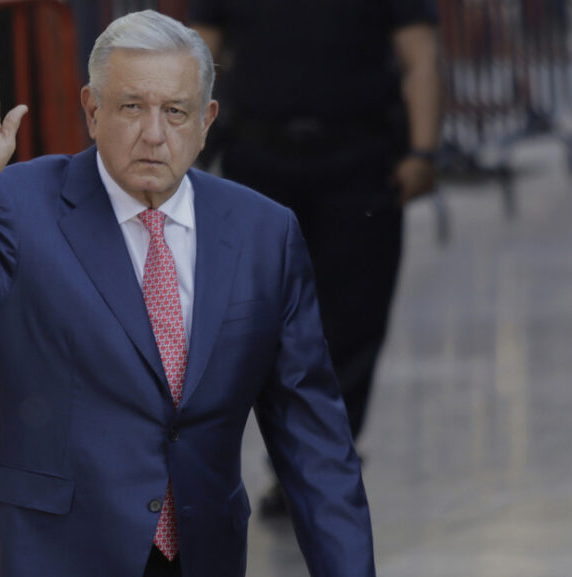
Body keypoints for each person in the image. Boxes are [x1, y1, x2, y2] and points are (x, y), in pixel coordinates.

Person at [0, 10, 373, 577]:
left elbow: (315, 445)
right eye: (132, 107)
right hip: (50, 553)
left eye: (176, 112)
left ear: (207, 120)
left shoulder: (264, 233)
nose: (154, 134)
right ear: (92, 110)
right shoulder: (20, 205)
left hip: (200, 553)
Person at [189, 1, 441, 516]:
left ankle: (319, 468)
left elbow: (421, 56)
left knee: (353, 319)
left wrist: (424, 151)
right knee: (256, 322)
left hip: (360, 159)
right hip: (257, 160)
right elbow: (198, 56)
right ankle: (285, 460)